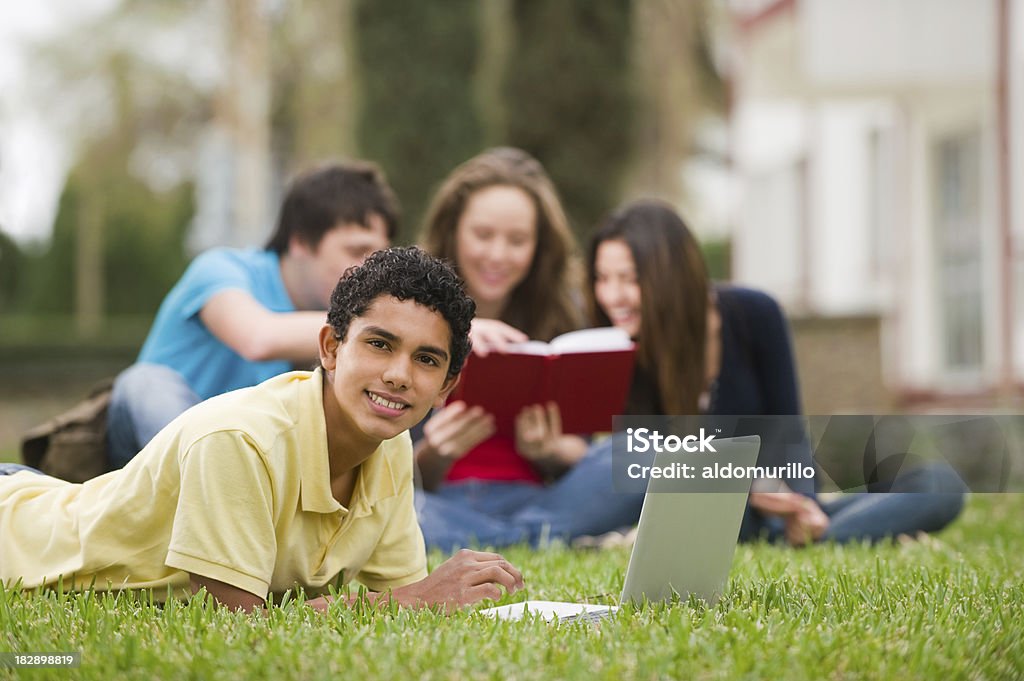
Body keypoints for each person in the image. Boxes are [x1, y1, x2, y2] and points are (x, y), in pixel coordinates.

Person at [420, 199, 967, 550]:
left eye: (628, 278)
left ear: (670, 274)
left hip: (759, 505)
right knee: (642, 457)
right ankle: (829, 536)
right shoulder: (612, 347)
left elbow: (788, 436)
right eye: (604, 279)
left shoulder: (753, 315)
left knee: (939, 484)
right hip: (694, 503)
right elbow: (627, 464)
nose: (612, 296)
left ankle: (812, 537)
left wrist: (795, 502)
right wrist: (557, 453)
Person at [0, 248, 523, 613]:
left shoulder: (388, 445)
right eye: (379, 344)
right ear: (330, 348)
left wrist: (429, 597)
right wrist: (417, 599)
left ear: (447, 386)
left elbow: (404, 598)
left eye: (426, 359)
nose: (399, 374)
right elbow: (241, 626)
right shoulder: (242, 440)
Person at [106, 160, 398, 469]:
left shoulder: (331, 334)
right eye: (356, 252)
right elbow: (258, 339)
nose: (371, 270)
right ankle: (209, 481)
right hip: (145, 456)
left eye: (379, 256)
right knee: (145, 381)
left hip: (244, 470)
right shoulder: (220, 269)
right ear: (299, 243)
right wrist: (382, 324)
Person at [413, 148, 586, 538]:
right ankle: (529, 537)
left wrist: (549, 450)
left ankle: (503, 534)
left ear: (539, 246)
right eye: (483, 234)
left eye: (517, 240)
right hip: (438, 503)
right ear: (453, 229)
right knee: (397, 512)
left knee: (637, 453)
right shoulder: (408, 307)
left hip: (539, 500)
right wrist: (434, 453)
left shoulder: (563, 314)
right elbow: (379, 472)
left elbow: (584, 452)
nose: (497, 255)